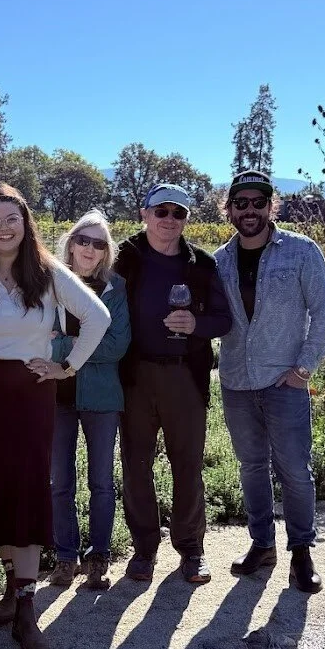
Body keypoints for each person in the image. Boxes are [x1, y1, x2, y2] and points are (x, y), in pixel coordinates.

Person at [0, 184, 110, 649]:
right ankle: (11, 587)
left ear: (25, 224)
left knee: (28, 489)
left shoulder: (46, 272)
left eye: (12, 219)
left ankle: (26, 608)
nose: (3, 227)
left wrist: (67, 366)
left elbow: (96, 316)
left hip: (31, 393)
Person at [213, 170, 325, 593]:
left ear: (272, 206)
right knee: (251, 467)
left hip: (284, 384)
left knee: (295, 472)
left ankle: (300, 552)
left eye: (258, 202)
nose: (250, 210)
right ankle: (262, 544)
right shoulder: (219, 261)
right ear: (228, 209)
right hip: (236, 381)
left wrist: (303, 369)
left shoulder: (301, 253)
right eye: (241, 203)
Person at [113, 182, 233, 585]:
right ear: (144, 214)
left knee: (188, 464)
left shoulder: (201, 264)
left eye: (178, 213)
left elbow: (224, 319)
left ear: (186, 219)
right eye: (161, 211)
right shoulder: (124, 259)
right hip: (135, 376)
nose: (169, 220)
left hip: (185, 375)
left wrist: (197, 325)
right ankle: (144, 548)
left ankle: (191, 548)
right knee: (136, 464)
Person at [49, 210, 131, 592]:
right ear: (71, 242)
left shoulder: (115, 288)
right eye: (83, 239)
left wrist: (63, 345)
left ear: (106, 252)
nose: (89, 248)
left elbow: (116, 345)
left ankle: (98, 556)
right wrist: (77, 344)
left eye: (99, 243)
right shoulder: (49, 284)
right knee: (59, 482)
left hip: (101, 397)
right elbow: (35, 337)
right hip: (56, 395)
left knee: (101, 481)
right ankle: (65, 556)